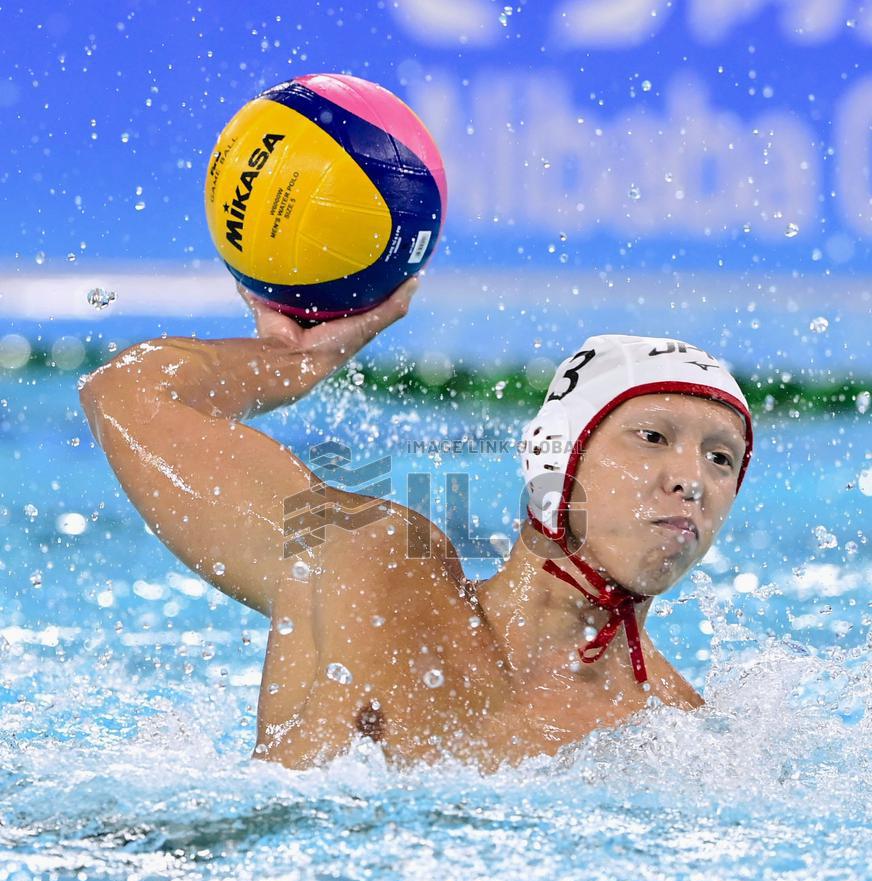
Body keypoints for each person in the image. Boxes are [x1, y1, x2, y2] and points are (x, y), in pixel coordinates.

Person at [79, 277, 753, 771]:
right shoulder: (379, 573)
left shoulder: (682, 736)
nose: (691, 478)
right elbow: (128, 395)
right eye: (652, 436)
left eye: (721, 458)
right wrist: (296, 363)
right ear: (557, 458)